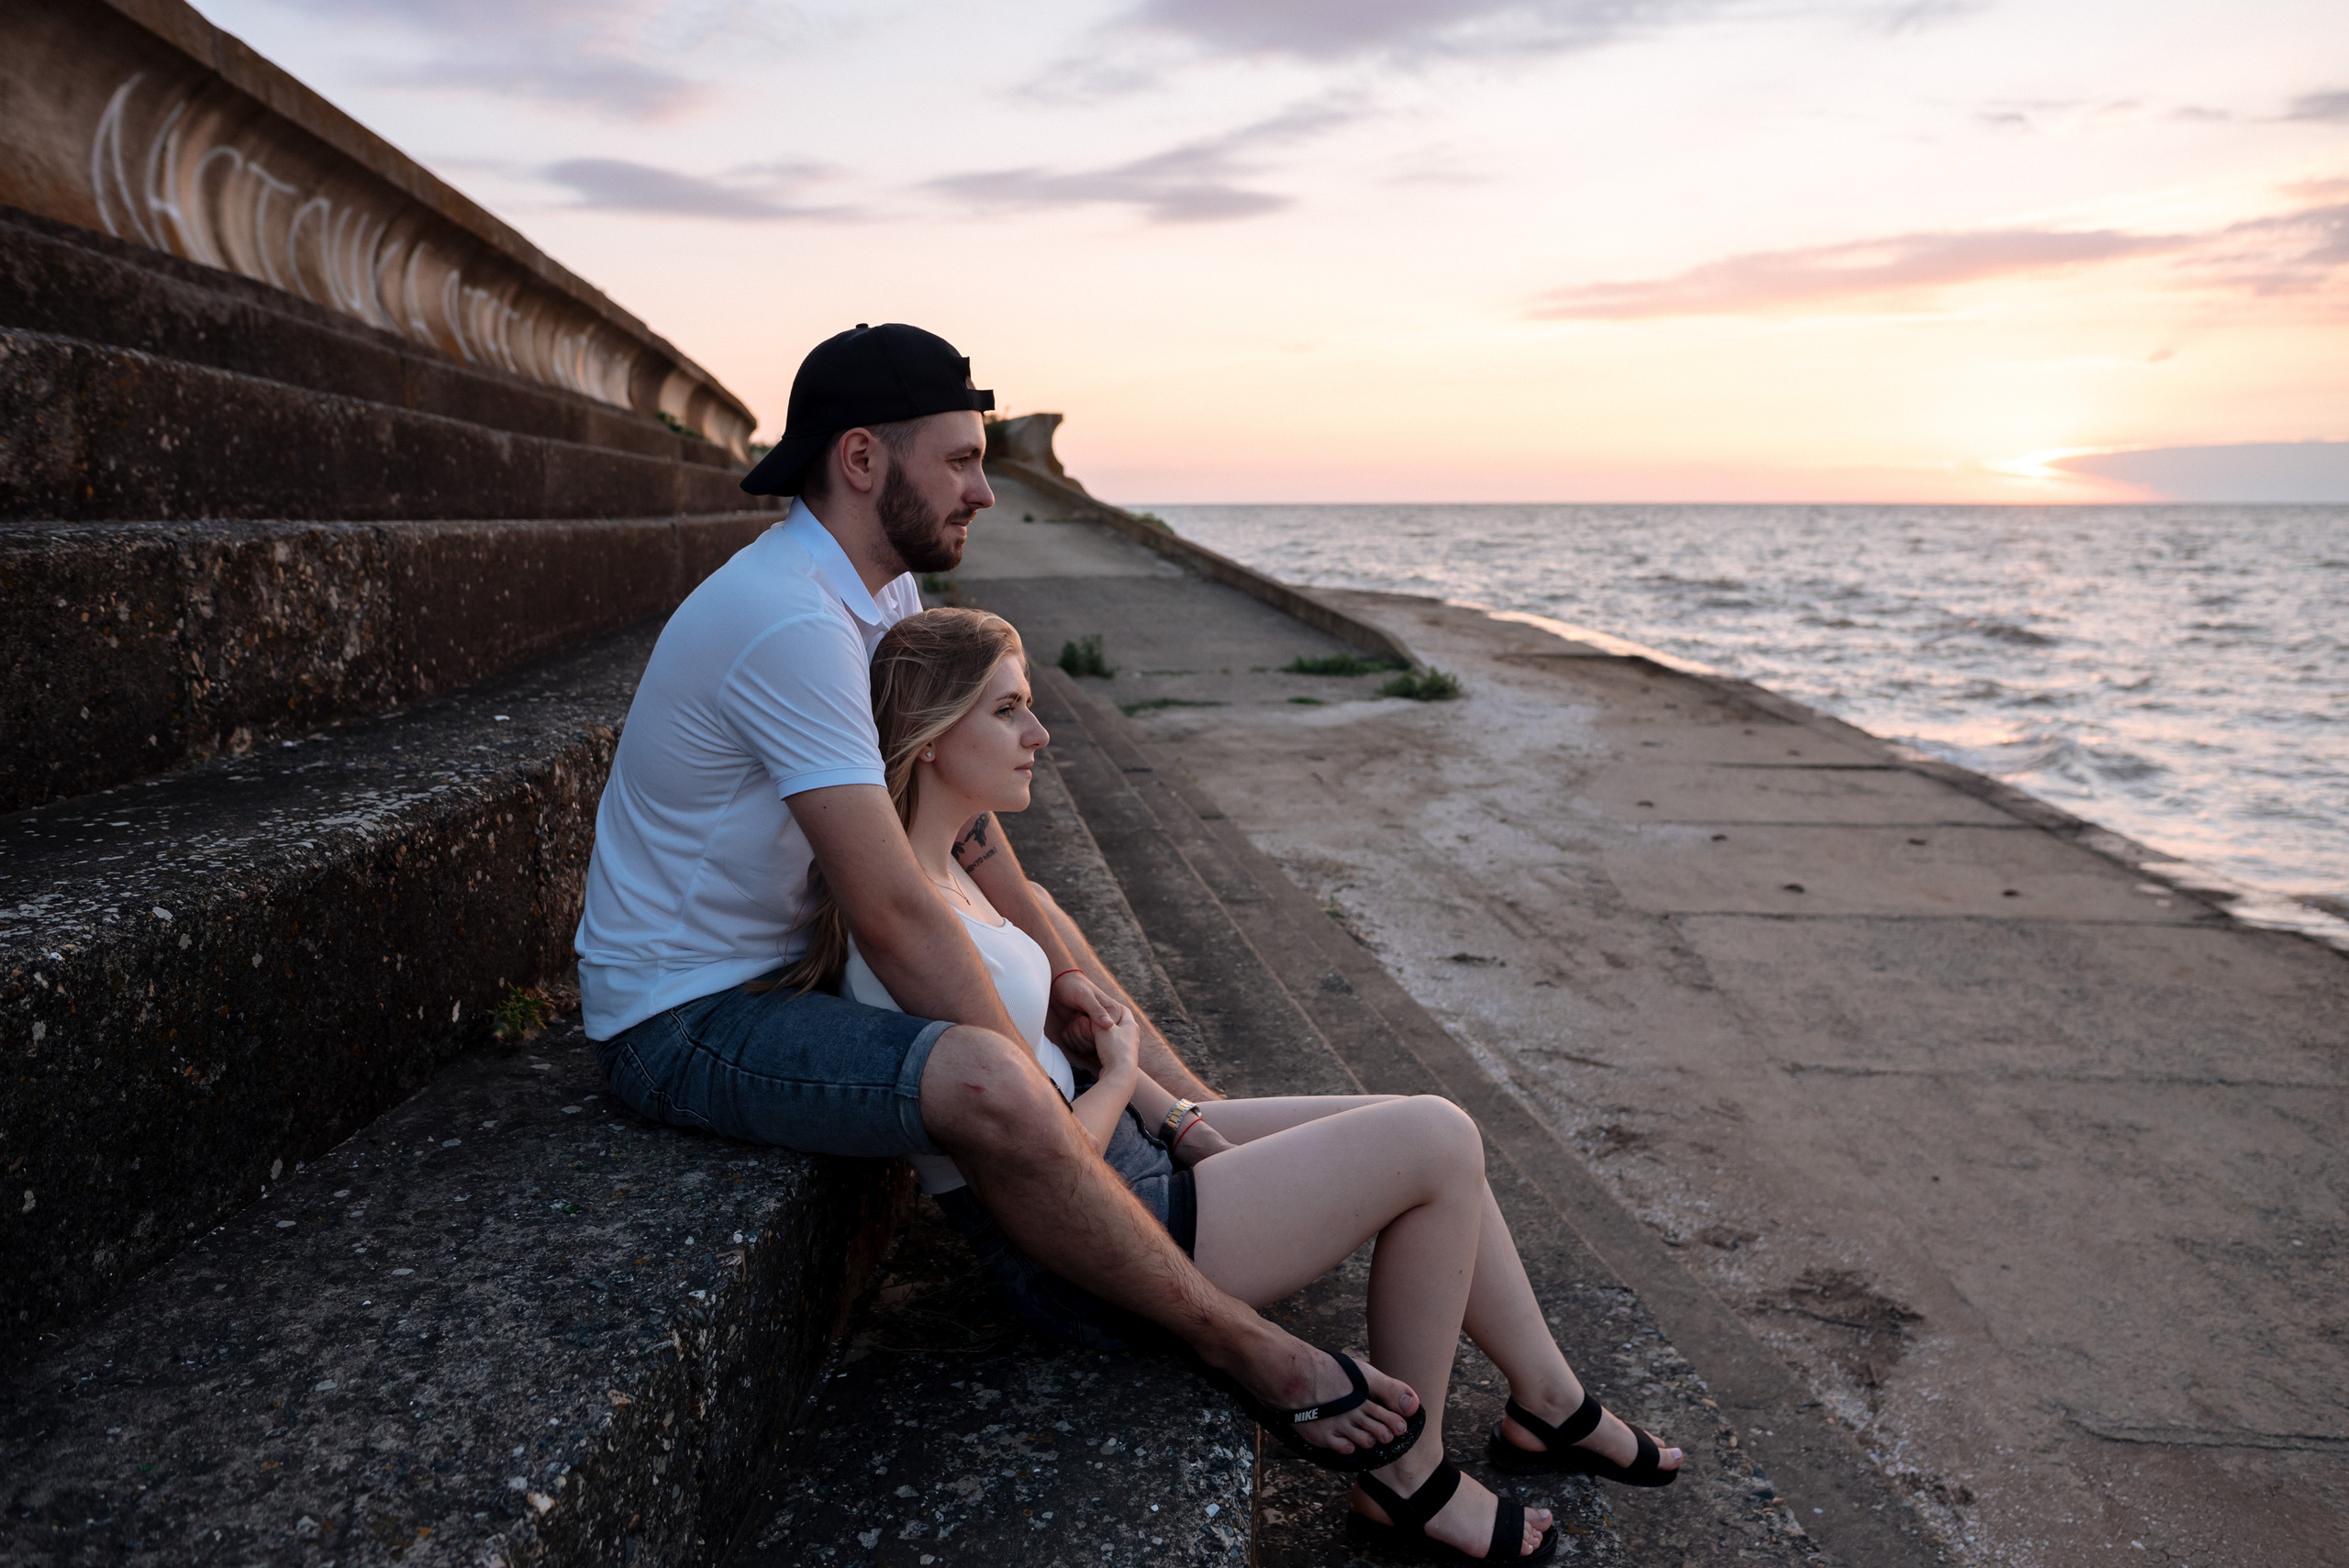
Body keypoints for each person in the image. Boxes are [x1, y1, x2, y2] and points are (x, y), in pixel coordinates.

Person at [573, 324, 1417, 1474]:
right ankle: (1242, 1343)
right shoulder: (790, 619)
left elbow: (965, 842)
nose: (984, 488)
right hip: (688, 1014)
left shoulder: (880, 587)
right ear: (863, 459)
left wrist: (1071, 985)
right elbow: (891, 907)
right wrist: (1042, 1069)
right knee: (988, 1074)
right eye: (962, 459)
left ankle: (1196, 1127)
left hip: (782, 960)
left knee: (1045, 919)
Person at [814, 605, 1686, 1563]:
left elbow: (1084, 1069)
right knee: (1432, 1135)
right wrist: (1120, 1070)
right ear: (934, 739)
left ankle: (1548, 1401)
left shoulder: (961, 883)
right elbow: (1044, 1161)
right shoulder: (902, 938)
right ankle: (1408, 1476)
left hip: (1132, 1162)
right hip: (1095, 1247)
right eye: (1009, 710)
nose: (1039, 732)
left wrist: (1176, 1111)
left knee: (1431, 1128)